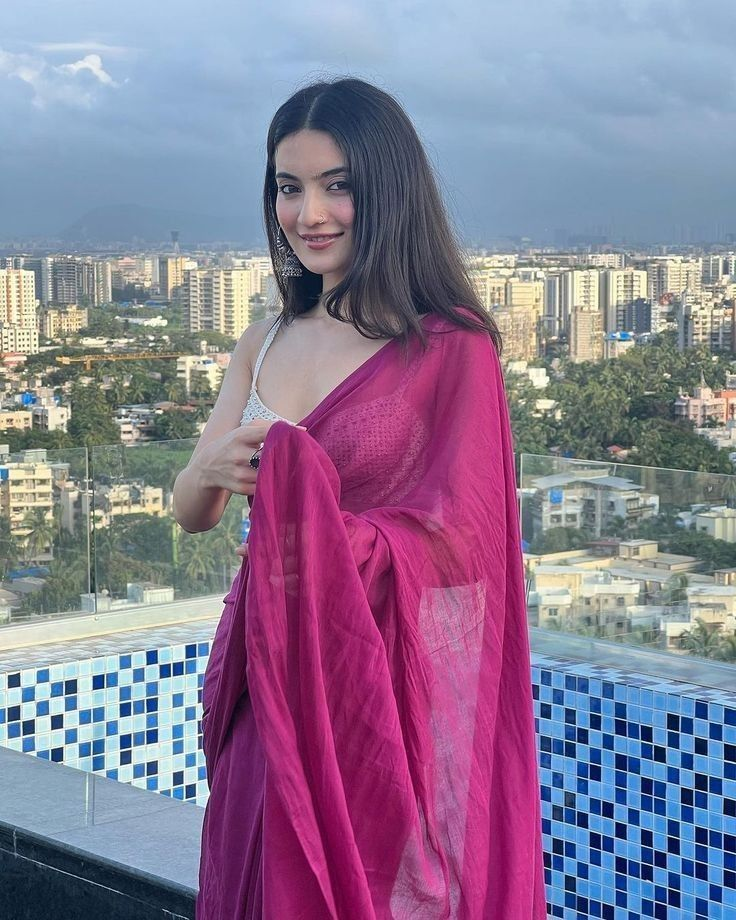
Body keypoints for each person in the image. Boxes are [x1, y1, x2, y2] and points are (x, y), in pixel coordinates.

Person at [173, 76, 548, 919]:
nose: (309, 214)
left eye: (336, 185)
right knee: (261, 878)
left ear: (387, 189)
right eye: (289, 187)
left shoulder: (449, 346)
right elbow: (192, 511)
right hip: (268, 673)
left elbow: (465, 539)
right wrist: (212, 471)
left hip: (378, 687)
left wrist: (321, 526)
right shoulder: (264, 340)